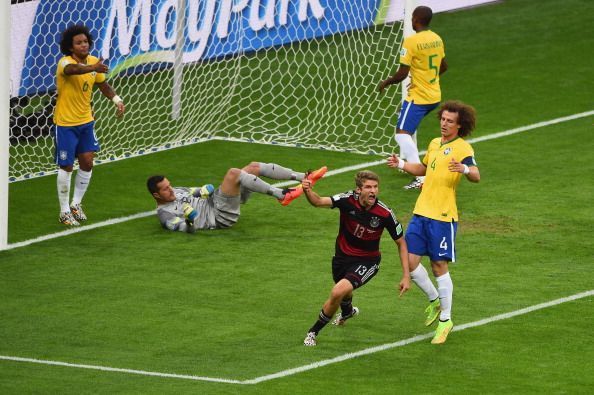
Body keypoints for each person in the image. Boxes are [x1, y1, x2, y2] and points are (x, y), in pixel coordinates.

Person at [387, 100, 480, 344]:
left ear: (459, 126)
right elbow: (423, 168)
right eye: (442, 119)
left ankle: (446, 320)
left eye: (450, 121)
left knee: (438, 265)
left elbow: (477, 175)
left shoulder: (463, 148)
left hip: (442, 216)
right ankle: (434, 299)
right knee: (409, 261)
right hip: (421, 212)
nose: (444, 123)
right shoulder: (435, 143)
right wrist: (401, 164)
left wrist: (464, 170)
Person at [301, 170, 410, 347]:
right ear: (359, 190)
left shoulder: (385, 214)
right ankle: (347, 312)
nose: (373, 191)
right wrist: (308, 190)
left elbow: (401, 243)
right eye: (368, 187)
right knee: (344, 289)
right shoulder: (346, 200)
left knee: (337, 291)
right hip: (341, 258)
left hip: (368, 262)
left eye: (375, 187)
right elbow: (318, 201)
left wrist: (406, 275)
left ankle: (313, 332)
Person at [54, 24, 126, 226]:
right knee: (66, 165)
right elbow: (73, 70)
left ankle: (76, 204)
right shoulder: (65, 63)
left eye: (85, 41)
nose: (83, 45)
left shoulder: (94, 62)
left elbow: (102, 84)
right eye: (78, 43)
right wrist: (92, 68)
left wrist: (117, 100)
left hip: (86, 122)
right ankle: (64, 211)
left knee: (87, 162)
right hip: (65, 124)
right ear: (70, 47)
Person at [378, 6, 447, 190]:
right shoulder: (436, 39)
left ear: (416, 18)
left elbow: (402, 73)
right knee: (408, 130)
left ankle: (420, 177)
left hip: (419, 98)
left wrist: (387, 81)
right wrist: (425, 79)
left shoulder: (411, 42)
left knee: (401, 135)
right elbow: (444, 66)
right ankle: (411, 165)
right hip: (434, 96)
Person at [147, 163, 327, 232]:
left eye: (170, 185)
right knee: (234, 173)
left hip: (216, 201)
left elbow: (196, 191)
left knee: (253, 167)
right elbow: (186, 229)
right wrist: (190, 219)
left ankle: (304, 176)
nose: (171, 190)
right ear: (156, 195)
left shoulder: (176, 191)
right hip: (218, 216)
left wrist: (204, 190)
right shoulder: (165, 214)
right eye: (165, 189)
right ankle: (281, 195)